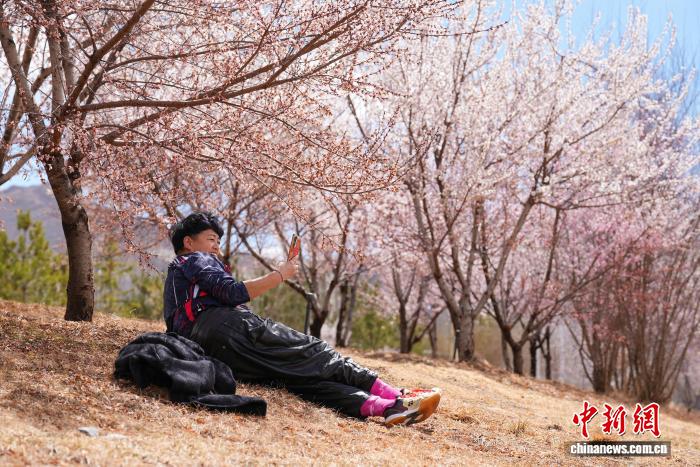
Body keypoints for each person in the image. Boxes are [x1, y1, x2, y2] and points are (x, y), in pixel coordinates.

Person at [163, 212, 441, 426]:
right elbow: (232, 292)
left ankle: (386, 409)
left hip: (213, 352)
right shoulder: (195, 259)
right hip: (228, 328)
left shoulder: (176, 279)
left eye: (217, 242)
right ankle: (397, 395)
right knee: (315, 351)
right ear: (189, 242)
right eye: (211, 239)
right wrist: (280, 275)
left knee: (299, 380)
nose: (216, 248)